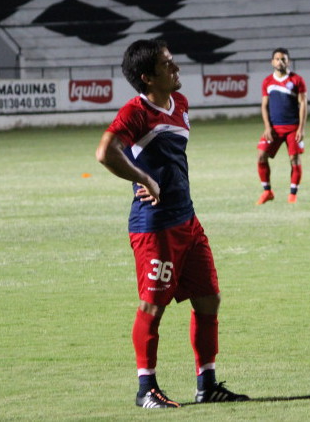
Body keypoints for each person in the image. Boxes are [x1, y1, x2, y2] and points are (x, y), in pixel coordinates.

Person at [95, 39, 250, 409]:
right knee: (153, 306)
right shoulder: (136, 112)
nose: (176, 67)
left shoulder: (179, 104)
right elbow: (105, 152)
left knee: (209, 298)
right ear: (147, 78)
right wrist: (143, 179)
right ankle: (145, 389)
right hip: (155, 226)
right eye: (167, 64)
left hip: (187, 220)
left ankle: (207, 384)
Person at [256, 47, 308, 204]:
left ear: (288, 61)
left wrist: (301, 128)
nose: (280, 61)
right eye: (277, 59)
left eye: (283, 59)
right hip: (274, 128)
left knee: (294, 159)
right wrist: (267, 127)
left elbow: (303, 104)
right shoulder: (267, 81)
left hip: (293, 127)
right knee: (261, 156)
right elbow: (264, 105)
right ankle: (267, 192)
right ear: (272, 62)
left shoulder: (297, 80)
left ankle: (293, 194)